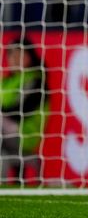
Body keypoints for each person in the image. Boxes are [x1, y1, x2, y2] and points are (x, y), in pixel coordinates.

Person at [1, 36, 48, 184]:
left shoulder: (35, 81)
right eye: (10, 54)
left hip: (24, 133)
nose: (14, 58)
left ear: (29, 55)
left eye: (19, 53)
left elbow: (22, 111)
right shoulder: (6, 81)